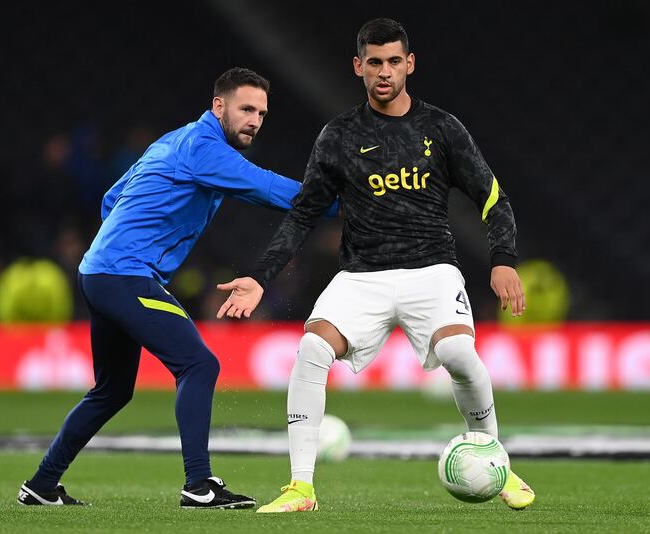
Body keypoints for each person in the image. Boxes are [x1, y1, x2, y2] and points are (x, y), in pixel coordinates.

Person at [216, 19, 535, 512]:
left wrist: (503, 259)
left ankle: (497, 461)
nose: (383, 72)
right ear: (358, 67)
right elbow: (303, 212)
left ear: (409, 64)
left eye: (393, 61)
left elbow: (492, 197)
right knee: (311, 349)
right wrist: (260, 278)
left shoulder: (442, 129)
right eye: (374, 62)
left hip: (432, 271)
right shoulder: (339, 136)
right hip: (362, 275)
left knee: (461, 357)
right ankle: (301, 488)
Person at [16, 67, 336, 509]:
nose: (255, 120)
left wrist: (127, 239)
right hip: (125, 276)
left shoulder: (174, 141)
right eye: (246, 109)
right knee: (198, 365)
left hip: (102, 272)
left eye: (262, 112)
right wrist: (346, 203)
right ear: (218, 106)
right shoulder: (205, 149)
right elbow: (268, 189)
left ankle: (41, 484)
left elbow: (112, 196)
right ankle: (198, 484)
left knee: (111, 390)